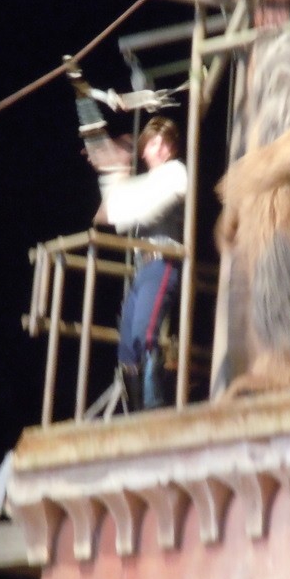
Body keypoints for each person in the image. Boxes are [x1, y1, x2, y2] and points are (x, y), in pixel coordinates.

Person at [87, 115, 186, 410]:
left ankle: (153, 403)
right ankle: (138, 408)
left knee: (145, 331)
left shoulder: (175, 173)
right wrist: (114, 171)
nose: (160, 149)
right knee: (127, 347)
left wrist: (117, 174)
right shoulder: (145, 183)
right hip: (144, 268)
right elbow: (110, 214)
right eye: (154, 143)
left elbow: (141, 210)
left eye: (165, 143)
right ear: (144, 150)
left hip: (162, 262)